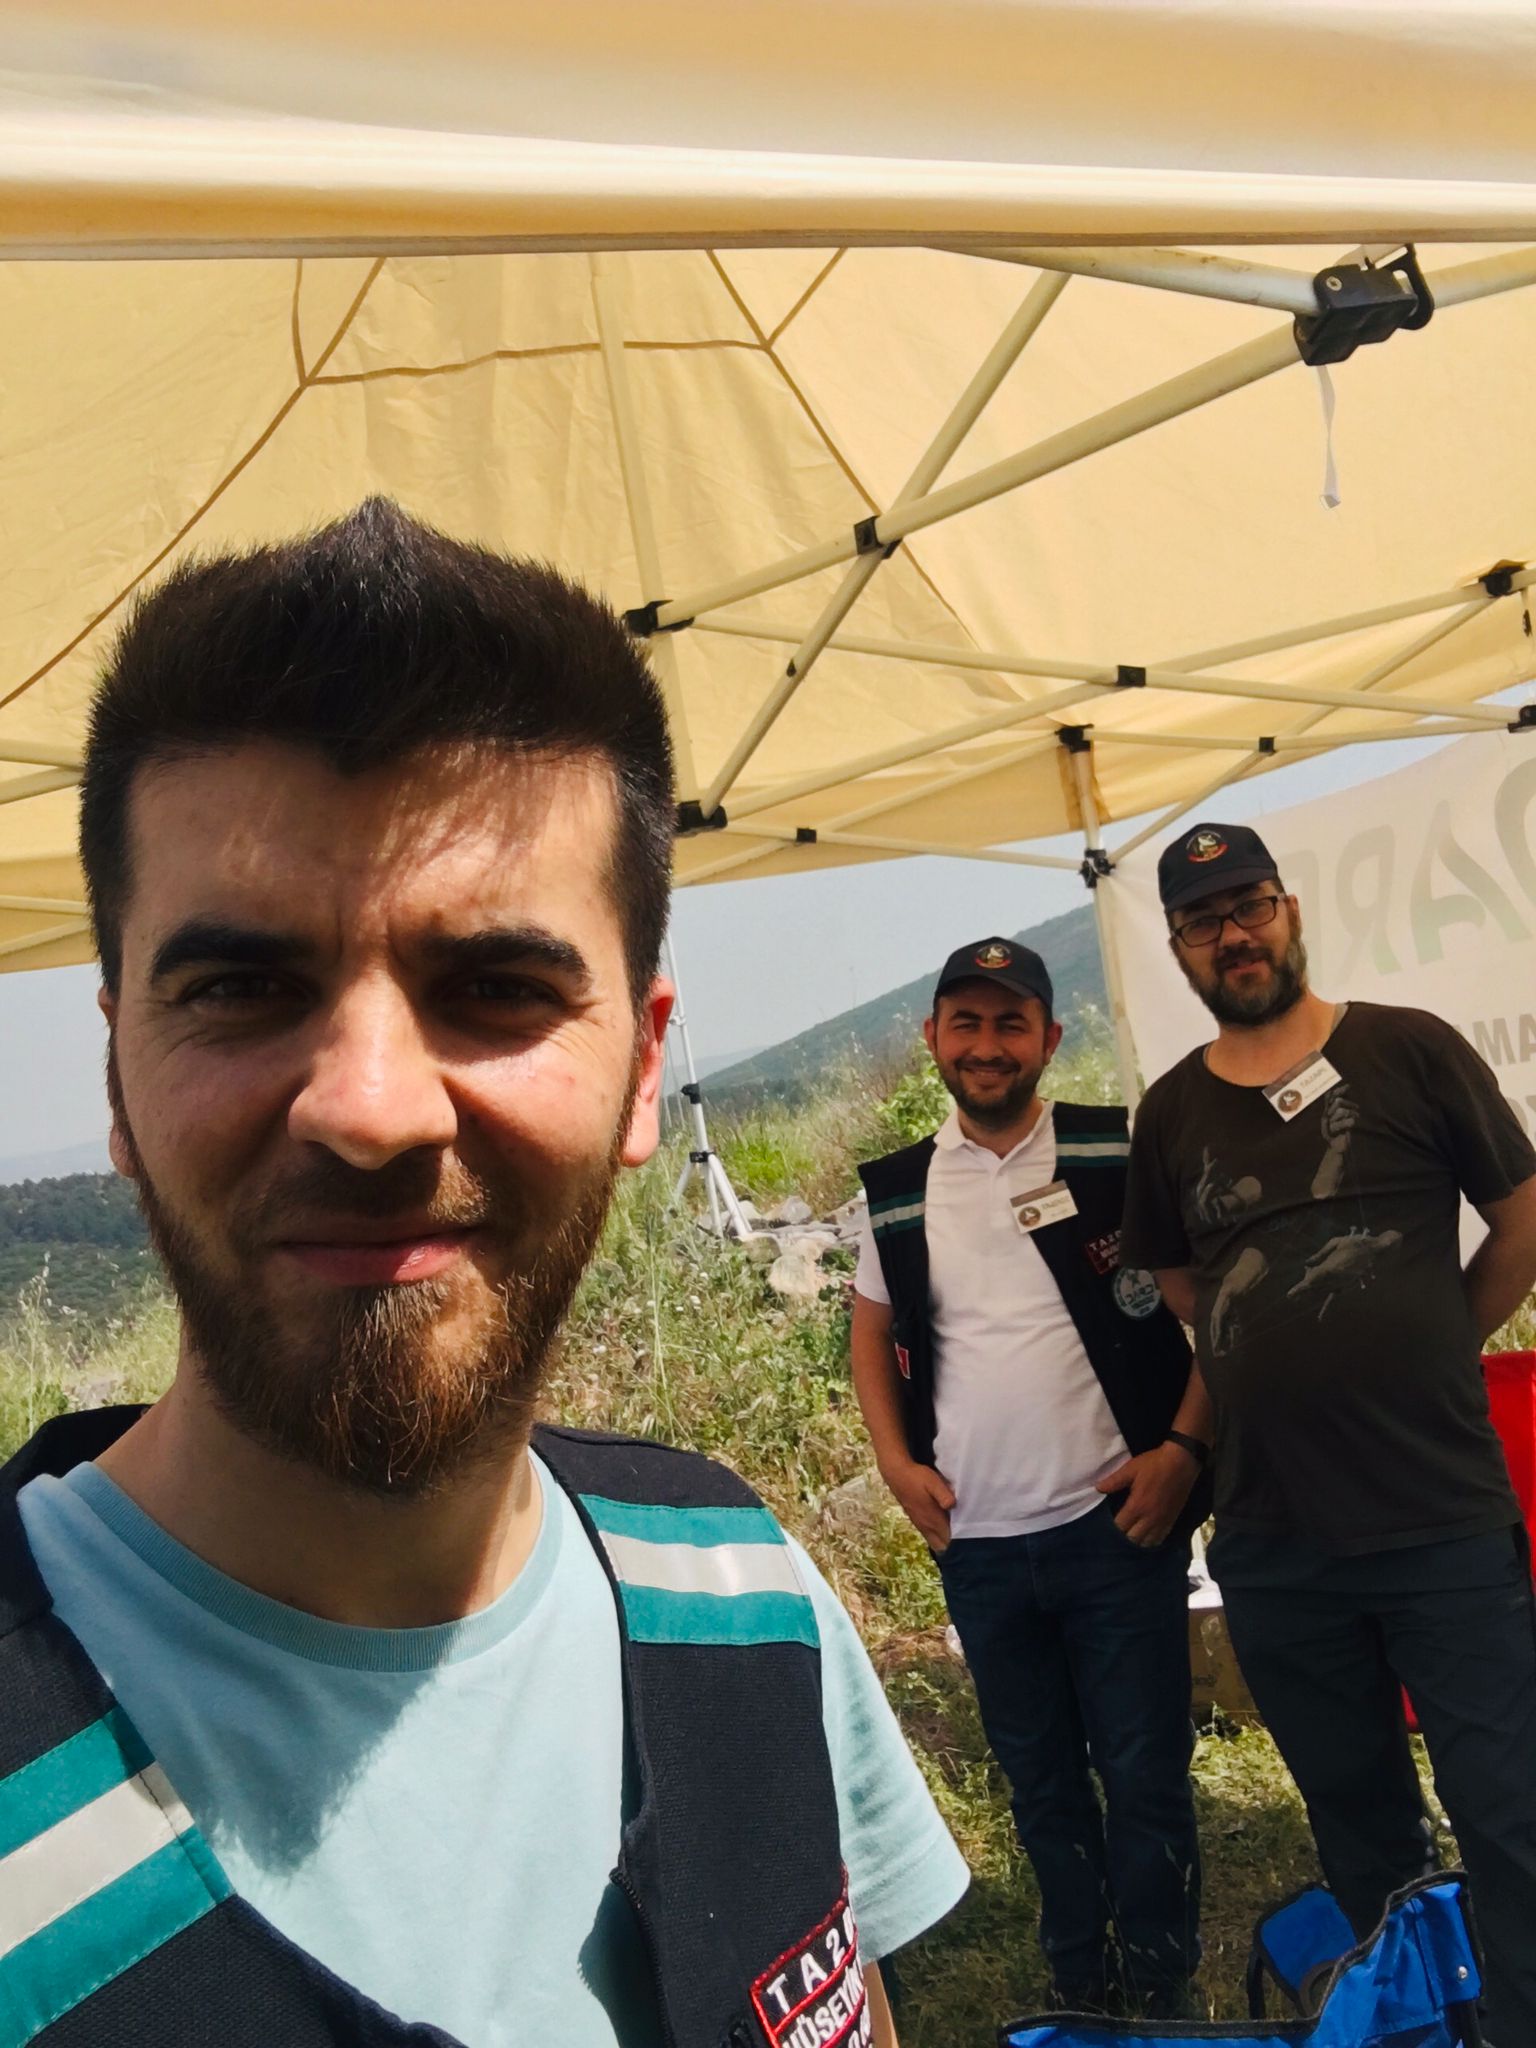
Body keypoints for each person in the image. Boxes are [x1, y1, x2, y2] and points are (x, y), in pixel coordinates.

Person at [0, 501, 967, 2048]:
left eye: (498, 988)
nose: (372, 1110)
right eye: (242, 987)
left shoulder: (738, 1588)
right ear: (118, 1073)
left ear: (644, 1069)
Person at [1122, 819, 1536, 2046]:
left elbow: (1521, 1219)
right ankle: (1423, 2022)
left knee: (1511, 1811)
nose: (1233, 934)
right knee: (1362, 1830)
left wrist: (1432, 1338)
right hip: (1276, 1537)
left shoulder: (1410, 1047)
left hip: (1439, 1516)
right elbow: (1185, 1282)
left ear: (1289, 910)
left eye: (1248, 905)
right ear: (1179, 947)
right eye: (1204, 920)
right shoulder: (1171, 1111)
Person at [849, 938, 1210, 2018]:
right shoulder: (899, 1190)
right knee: (1039, 1779)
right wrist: (895, 1464)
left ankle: (1160, 1981)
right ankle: (1079, 1975)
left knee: (1144, 1770)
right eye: (966, 1022)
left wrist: (1183, 1450)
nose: (987, 1044)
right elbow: (868, 1330)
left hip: (1117, 1528)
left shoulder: (1114, 1148)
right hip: (981, 1545)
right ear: (933, 1038)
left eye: (1011, 1023)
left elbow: (1214, 1311)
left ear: (1050, 1039)